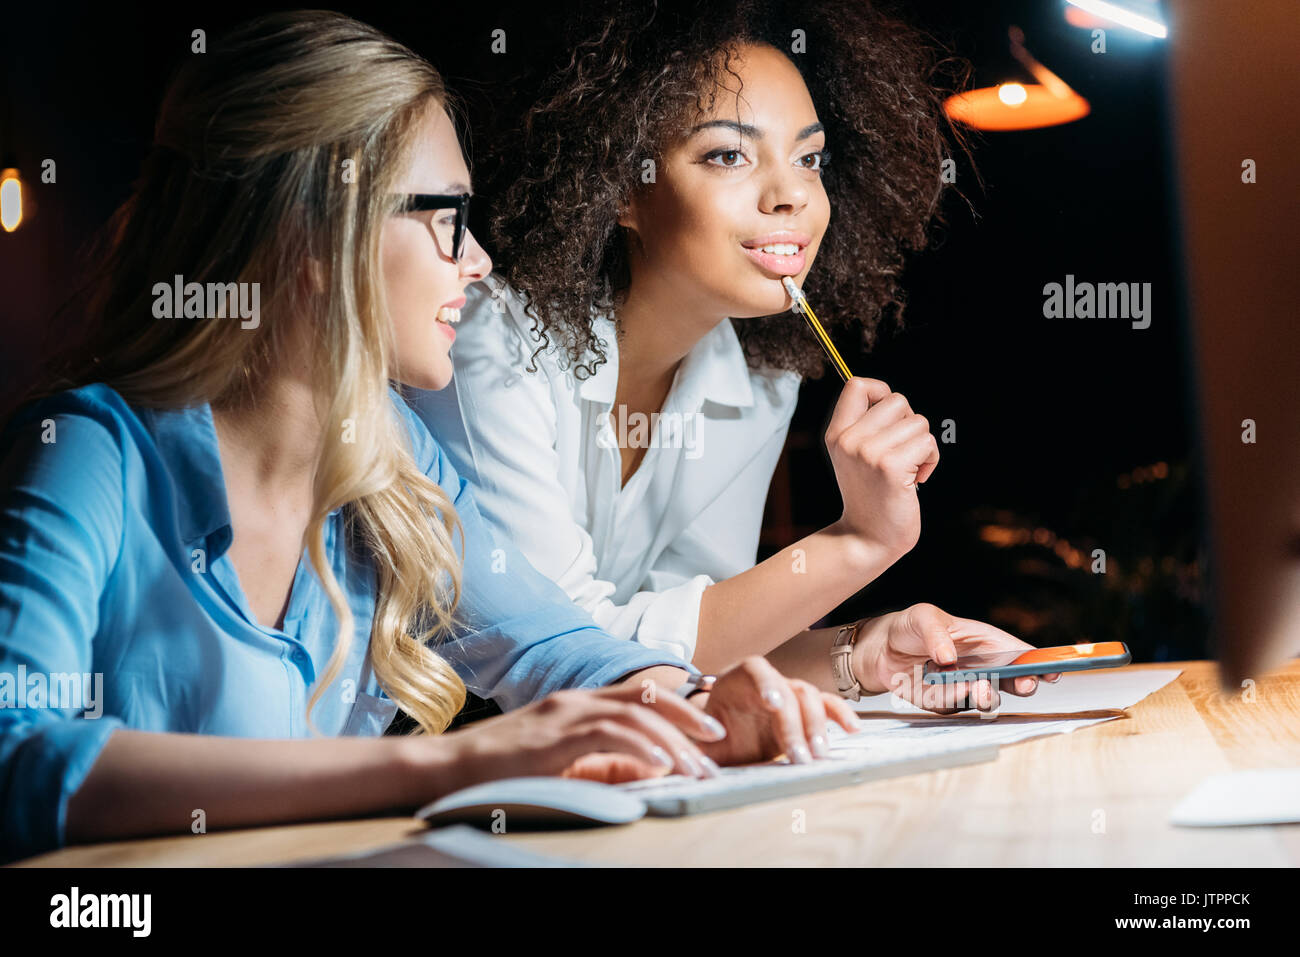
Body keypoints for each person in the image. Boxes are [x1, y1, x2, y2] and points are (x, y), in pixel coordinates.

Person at [0, 11, 861, 863]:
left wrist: (699, 698)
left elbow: (553, 646)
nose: (479, 259)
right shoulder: (89, 454)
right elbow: (15, 756)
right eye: (448, 217)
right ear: (315, 232)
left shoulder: (393, 458)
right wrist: (442, 762)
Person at [410, 0, 1060, 712]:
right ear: (623, 185)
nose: (791, 197)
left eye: (809, 159)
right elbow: (573, 652)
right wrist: (860, 540)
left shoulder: (760, 376)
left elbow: (693, 643)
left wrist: (866, 649)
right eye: (728, 154)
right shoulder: (485, 340)